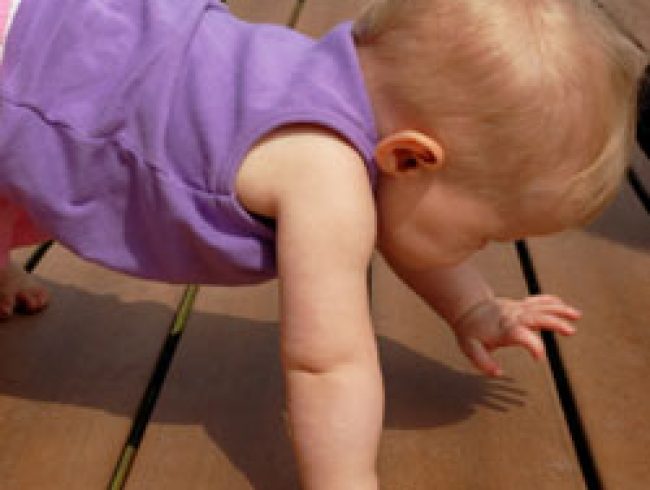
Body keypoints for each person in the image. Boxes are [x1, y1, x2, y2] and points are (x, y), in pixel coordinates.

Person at [0, 0, 644, 487]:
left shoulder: (352, 102)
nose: (476, 249)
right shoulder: (325, 177)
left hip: (76, 34)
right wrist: (348, 480)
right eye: (485, 233)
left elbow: (408, 230)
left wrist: (473, 308)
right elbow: (326, 363)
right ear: (412, 158)